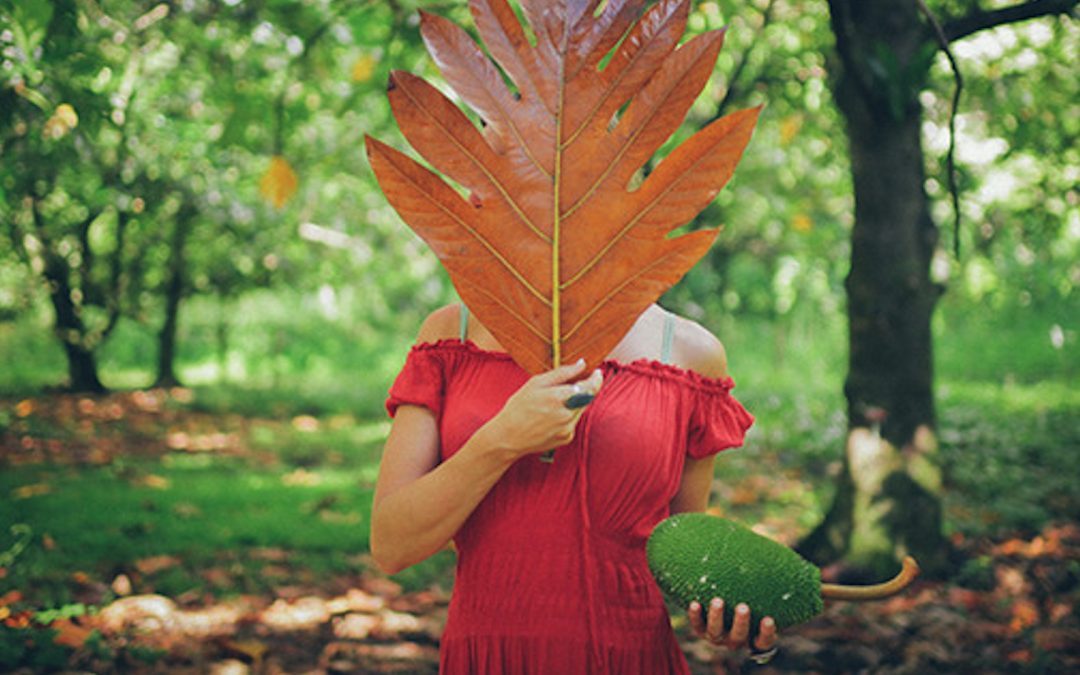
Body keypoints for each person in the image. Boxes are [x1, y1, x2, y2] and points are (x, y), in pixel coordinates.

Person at [371, 301, 779, 673]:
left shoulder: (691, 353)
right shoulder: (452, 334)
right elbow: (392, 544)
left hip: (627, 659)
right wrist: (500, 441)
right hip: (485, 659)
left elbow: (685, 556)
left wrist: (731, 616)